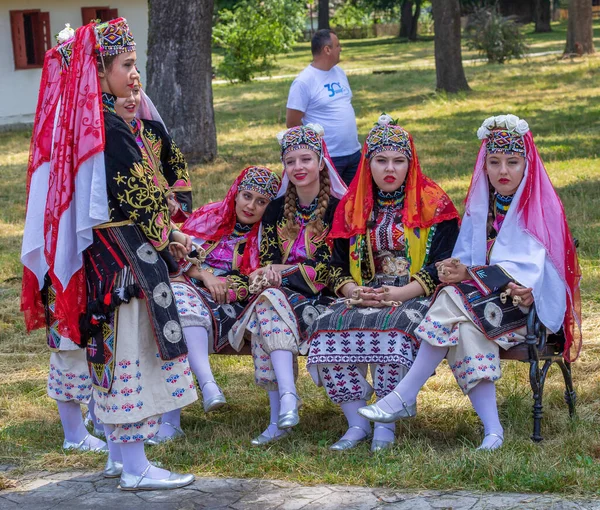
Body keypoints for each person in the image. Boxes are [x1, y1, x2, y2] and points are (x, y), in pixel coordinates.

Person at [22, 18, 197, 490]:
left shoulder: (90, 123)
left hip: (102, 261)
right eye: (125, 65)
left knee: (112, 359)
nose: (135, 74)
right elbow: (141, 200)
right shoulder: (110, 129)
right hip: (123, 262)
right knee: (130, 360)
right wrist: (173, 244)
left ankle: (122, 458)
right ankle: (137, 468)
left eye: (136, 64)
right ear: (99, 73)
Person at [358, 114, 582, 451]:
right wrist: (453, 268)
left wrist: (472, 277)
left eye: (512, 162)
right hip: (481, 309)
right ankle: (493, 432)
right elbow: (467, 259)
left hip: (526, 309)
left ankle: (404, 394)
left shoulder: (538, 207)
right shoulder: (484, 206)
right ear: (484, 165)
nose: (502, 171)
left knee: (450, 298)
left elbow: (535, 275)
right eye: (494, 162)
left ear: (527, 165)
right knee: (462, 326)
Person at [306, 115, 460, 452]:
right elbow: (331, 267)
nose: (390, 168)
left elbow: (445, 265)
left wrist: (402, 292)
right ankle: (356, 422)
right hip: (363, 293)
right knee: (326, 327)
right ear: (367, 162)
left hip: (414, 294)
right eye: (380, 160)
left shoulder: (435, 204)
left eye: (398, 161)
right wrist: (352, 290)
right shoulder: (349, 207)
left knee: (395, 329)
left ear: (410, 162)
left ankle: (385, 426)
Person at [230, 124, 347, 445]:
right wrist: (274, 274)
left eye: (306, 159)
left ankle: (283, 407)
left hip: (323, 299)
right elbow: (267, 259)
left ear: (321, 162)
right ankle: (286, 403)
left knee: (267, 305)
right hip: (281, 297)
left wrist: (281, 272)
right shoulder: (276, 211)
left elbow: (329, 268)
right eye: (291, 161)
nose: (298, 167)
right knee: (268, 303)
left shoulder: (340, 209)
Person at [146, 165, 281, 444]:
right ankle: (204, 388)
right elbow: (177, 257)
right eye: (247, 195)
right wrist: (204, 274)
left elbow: (258, 280)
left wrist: (226, 286)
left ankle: (184, 409)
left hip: (234, 305)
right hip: (191, 290)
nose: (251, 206)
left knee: (176, 312)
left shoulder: (268, 237)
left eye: (261, 201)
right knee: (177, 306)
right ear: (235, 193)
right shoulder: (210, 216)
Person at [21, 25, 106, 453]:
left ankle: (97, 413)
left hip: (90, 245)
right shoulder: (58, 118)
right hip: (62, 247)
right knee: (67, 338)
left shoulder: (92, 114)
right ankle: (74, 432)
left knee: (95, 330)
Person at [286, 29, 361, 186]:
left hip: (354, 153)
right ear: (327, 49)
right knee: (329, 206)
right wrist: (315, 149)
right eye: (337, 45)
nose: (340, 49)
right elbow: (292, 122)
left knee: (353, 204)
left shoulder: (339, 72)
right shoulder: (304, 82)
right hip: (329, 159)